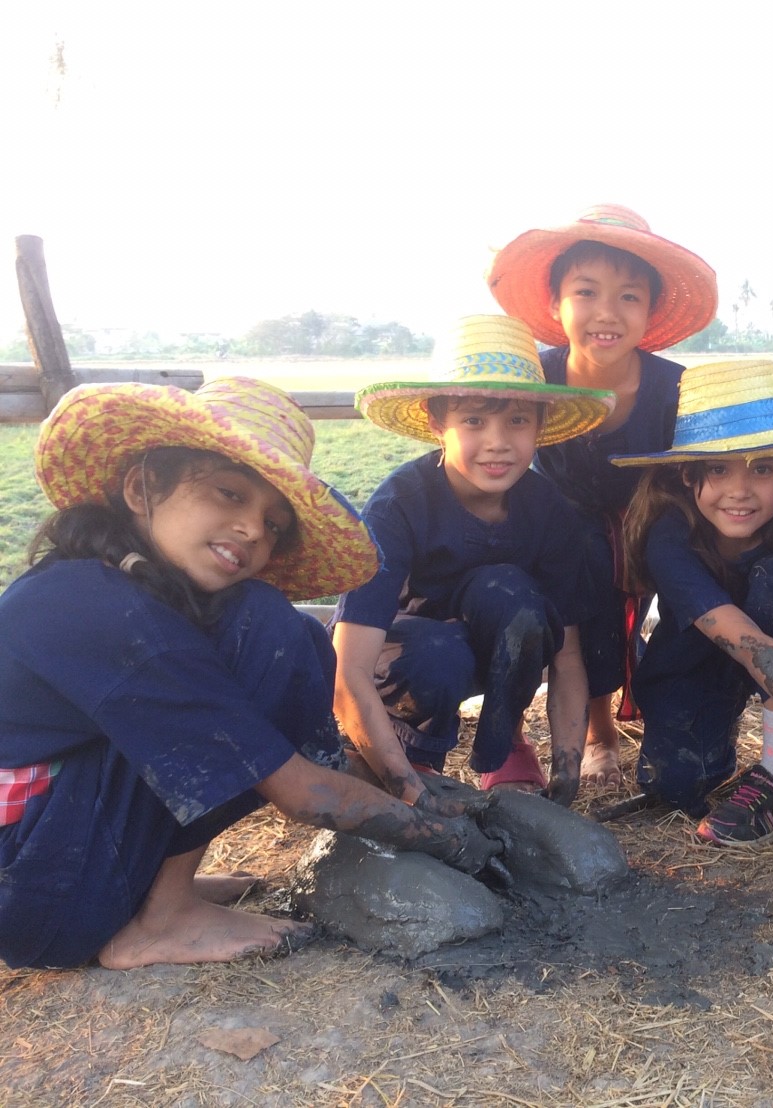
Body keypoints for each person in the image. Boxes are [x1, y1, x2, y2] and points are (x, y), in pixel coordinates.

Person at [0, 377, 505, 970]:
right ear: (141, 487)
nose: (252, 530)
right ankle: (164, 919)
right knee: (264, 628)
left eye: (273, 523)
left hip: (53, 857)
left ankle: (157, 887)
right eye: (228, 494)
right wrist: (447, 839)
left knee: (294, 638)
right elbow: (296, 788)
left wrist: (401, 783)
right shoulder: (89, 607)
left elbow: (286, 747)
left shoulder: (136, 598)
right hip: (36, 897)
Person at [336, 315, 615, 807]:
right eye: (473, 421)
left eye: (516, 421)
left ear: (540, 425)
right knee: (438, 653)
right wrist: (410, 793)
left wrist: (566, 777)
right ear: (435, 423)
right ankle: (412, 756)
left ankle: (503, 741)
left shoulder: (548, 510)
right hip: (406, 659)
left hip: (497, 649)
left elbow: (567, 656)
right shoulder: (397, 505)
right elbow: (348, 669)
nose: (498, 442)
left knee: (515, 598)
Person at [488, 204, 718, 790]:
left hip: (654, 526)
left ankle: (684, 717)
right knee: (568, 587)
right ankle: (595, 735)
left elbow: (695, 480)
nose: (606, 314)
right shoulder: (532, 379)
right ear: (558, 302)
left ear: (650, 309)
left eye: (629, 297)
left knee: (663, 597)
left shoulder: (674, 388)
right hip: (557, 528)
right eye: (586, 292)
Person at [611, 359, 773, 845]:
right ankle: (716, 749)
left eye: (761, 468)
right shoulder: (669, 537)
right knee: (676, 787)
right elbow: (749, 644)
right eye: (718, 469)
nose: (739, 490)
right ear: (689, 477)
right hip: (699, 659)